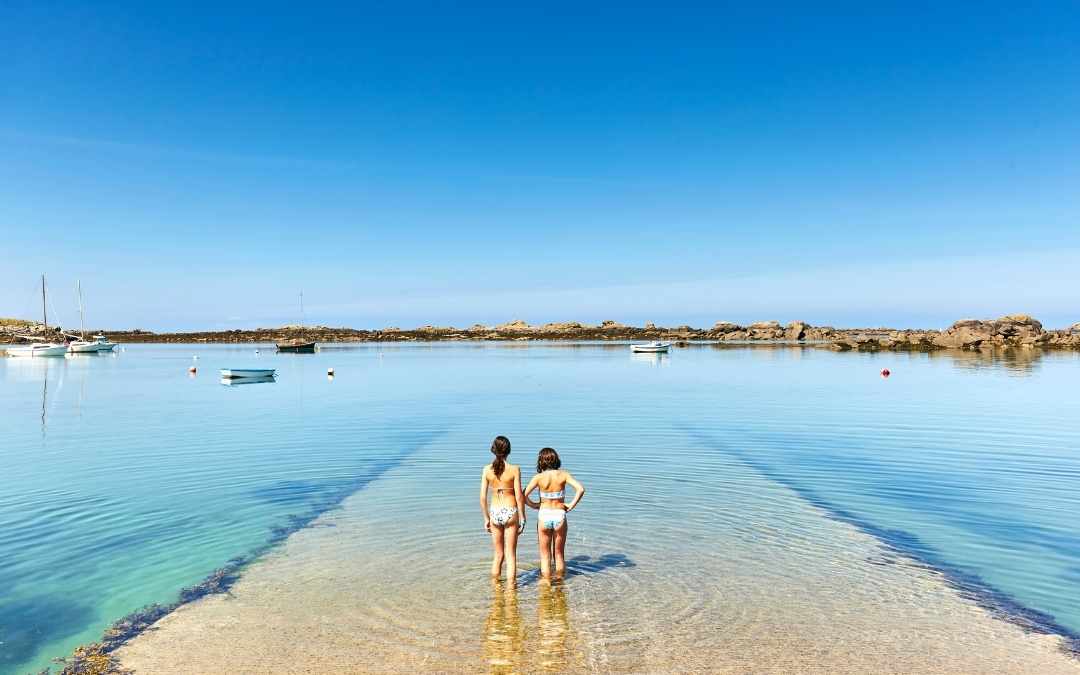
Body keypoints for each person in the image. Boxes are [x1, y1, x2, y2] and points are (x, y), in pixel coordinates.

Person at [524, 447, 585, 579]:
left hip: (544, 515)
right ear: (556, 460)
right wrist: (570, 506)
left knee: (545, 556)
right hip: (559, 515)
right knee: (559, 555)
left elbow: (523, 495)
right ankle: (559, 585)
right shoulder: (563, 475)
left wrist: (534, 505)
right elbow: (580, 489)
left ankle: (545, 584)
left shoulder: (538, 478)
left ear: (541, 461)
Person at [480, 435, 526, 581]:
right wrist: (523, 517)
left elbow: (482, 497)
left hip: (495, 512)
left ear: (493, 450)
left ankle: (496, 589)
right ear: (509, 451)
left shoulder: (487, 470)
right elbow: (519, 496)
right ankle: (511, 591)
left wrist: (486, 518)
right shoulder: (514, 469)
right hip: (511, 511)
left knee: (498, 555)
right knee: (511, 555)